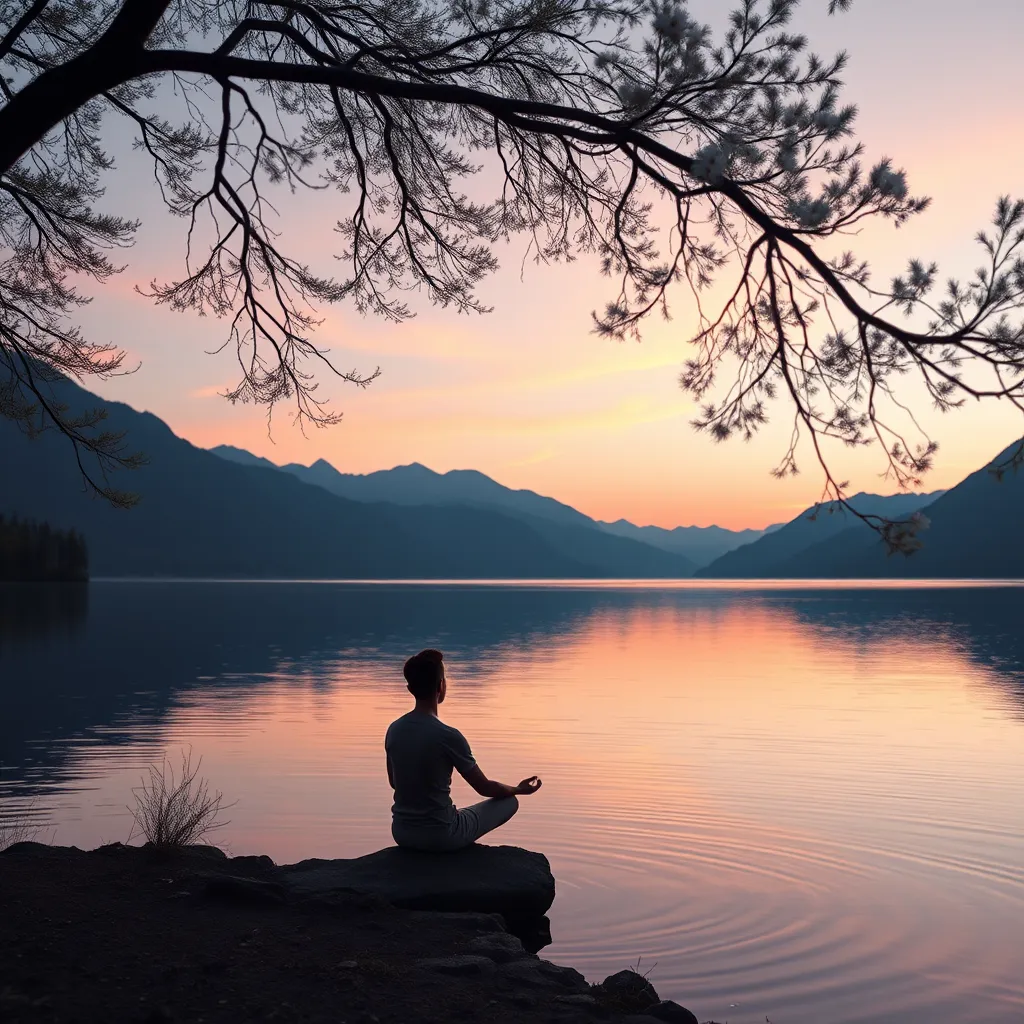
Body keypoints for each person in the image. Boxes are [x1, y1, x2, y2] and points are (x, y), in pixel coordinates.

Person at [385, 648, 542, 852]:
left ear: (410, 688)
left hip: (402, 833)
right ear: (441, 686)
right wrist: (518, 789)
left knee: (460, 812)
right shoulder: (448, 735)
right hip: (441, 835)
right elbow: (484, 787)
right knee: (509, 803)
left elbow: (394, 782)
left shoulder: (394, 729)